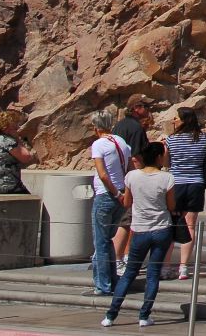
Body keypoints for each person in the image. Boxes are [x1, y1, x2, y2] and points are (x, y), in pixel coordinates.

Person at [102, 141, 177, 327]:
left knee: (129, 273)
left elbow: (127, 203)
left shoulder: (132, 176)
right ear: (158, 157)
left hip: (140, 229)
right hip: (161, 228)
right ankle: (144, 316)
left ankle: (111, 315)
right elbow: (171, 206)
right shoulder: (167, 178)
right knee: (153, 274)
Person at [164, 107, 206, 281]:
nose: (174, 121)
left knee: (172, 224)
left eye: (176, 118)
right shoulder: (204, 137)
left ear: (184, 120)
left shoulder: (171, 140)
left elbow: (166, 162)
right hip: (196, 184)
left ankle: (166, 265)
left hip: (176, 184)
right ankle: (184, 267)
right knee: (190, 225)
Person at [88, 111, 133, 296]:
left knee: (101, 241)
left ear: (96, 127)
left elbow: (103, 174)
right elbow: (130, 170)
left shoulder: (99, 144)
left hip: (106, 195)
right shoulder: (122, 142)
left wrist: (115, 193)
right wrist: (124, 194)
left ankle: (102, 285)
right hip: (120, 194)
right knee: (109, 239)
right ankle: (112, 280)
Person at [112, 95, 155, 271]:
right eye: (146, 106)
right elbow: (136, 157)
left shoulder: (119, 125)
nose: (148, 110)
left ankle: (119, 256)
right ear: (137, 108)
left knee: (122, 220)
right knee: (129, 220)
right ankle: (123, 256)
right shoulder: (136, 128)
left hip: (119, 177)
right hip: (132, 179)